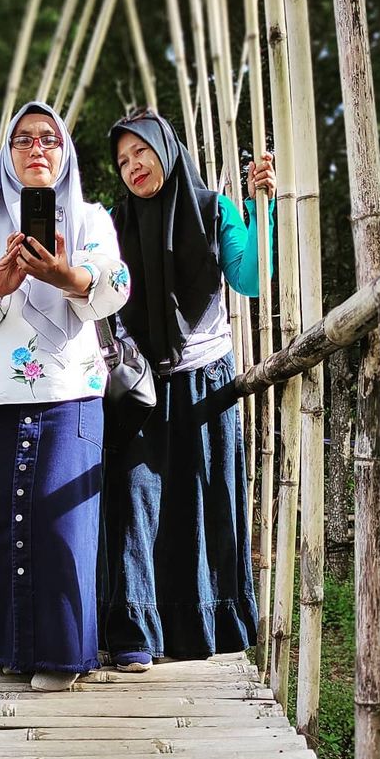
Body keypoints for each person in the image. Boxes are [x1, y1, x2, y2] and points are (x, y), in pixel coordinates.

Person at [0, 101, 130, 691]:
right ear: (7, 155)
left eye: (48, 138)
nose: (37, 148)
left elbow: (115, 282)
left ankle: (59, 655)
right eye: (23, 140)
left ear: (65, 151)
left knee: (61, 523)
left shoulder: (90, 217)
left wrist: (65, 276)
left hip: (68, 388)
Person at [100, 108, 275, 672]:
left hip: (205, 382)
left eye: (141, 152)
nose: (133, 166)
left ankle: (203, 625)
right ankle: (134, 631)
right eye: (122, 161)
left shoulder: (213, 209)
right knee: (135, 498)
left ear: (166, 150)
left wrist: (261, 210)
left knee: (201, 501)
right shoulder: (113, 224)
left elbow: (250, 280)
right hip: (139, 387)